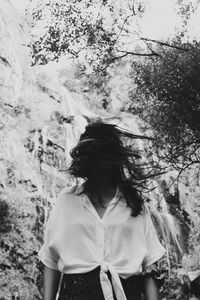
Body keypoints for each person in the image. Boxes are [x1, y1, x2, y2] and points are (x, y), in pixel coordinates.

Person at [38, 121, 166, 300]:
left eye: (101, 162)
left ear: (112, 163)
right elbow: (50, 260)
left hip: (126, 293)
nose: (97, 170)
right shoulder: (66, 200)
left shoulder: (134, 204)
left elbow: (149, 264)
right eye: (92, 162)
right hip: (76, 294)